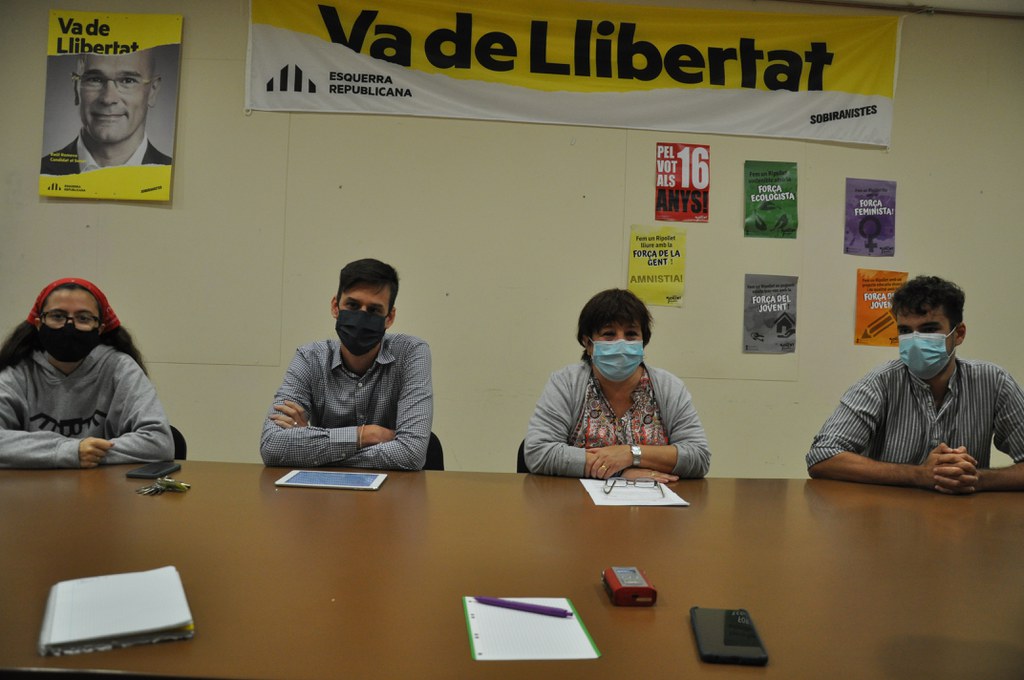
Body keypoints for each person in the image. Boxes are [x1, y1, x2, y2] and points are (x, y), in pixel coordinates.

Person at [807, 275, 1024, 494]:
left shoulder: (994, 382)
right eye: (905, 331)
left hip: (963, 512)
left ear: (958, 334)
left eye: (929, 329)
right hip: (888, 511)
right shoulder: (881, 382)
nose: (915, 340)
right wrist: (918, 475)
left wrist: (976, 478)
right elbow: (822, 456)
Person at [260, 259, 433, 469]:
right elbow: (272, 446)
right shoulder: (309, 358)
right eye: (352, 305)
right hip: (324, 490)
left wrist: (310, 445)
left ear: (389, 317)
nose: (361, 316)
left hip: (393, 488)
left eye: (374, 310)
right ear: (335, 307)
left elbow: (411, 454)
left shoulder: (411, 353)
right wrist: (366, 435)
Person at [524, 288, 710, 480]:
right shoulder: (566, 383)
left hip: (655, 498)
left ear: (643, 342)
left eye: (631, 334)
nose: (621, 343)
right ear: (588, 344)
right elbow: (538, 452)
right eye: (609, 334)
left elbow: (699, 456)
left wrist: (630, 454)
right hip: (577, 497)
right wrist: (620, 472)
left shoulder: (668, 387)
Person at [0, 278, 173, 468]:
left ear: (100, 329)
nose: (69, 326)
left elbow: (159, 442)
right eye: (57, 316)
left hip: (105, 485)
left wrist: (86, 453)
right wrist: (70, 451)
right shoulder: (18, 371)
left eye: (83, 318)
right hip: (32, 486)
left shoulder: (120, 367)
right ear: (39, 324)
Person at [41, 48, 171, 175]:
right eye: (95, 79)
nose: (108, 99)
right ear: (76, 87)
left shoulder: (172, 175)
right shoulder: (41, 172)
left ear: (152, 91)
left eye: (127, 80)